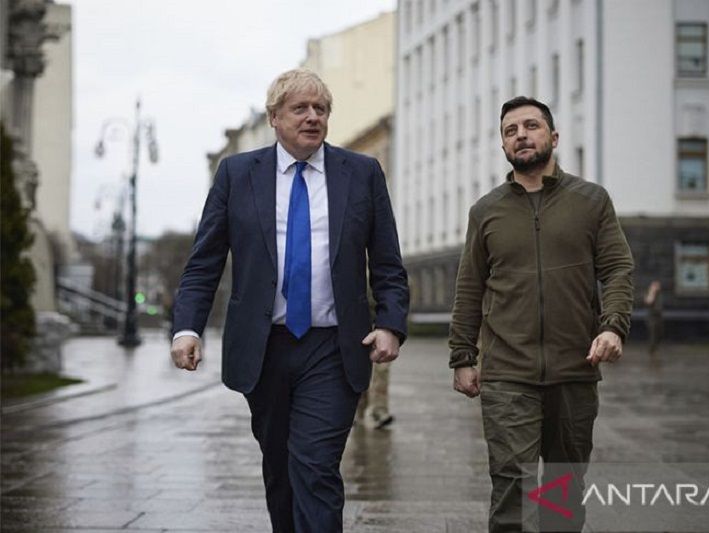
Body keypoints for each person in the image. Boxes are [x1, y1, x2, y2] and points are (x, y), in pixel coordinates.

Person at [169, 68, 409, 533]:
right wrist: (186, 328)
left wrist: (391, 322)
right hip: (265, 347)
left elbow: (387, 261)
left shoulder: (360, 174)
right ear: (274, 117)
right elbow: (205, 261)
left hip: (334, 347)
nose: (313, 117)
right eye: (300, 108)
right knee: (280, 468)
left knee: (315, 465)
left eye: (321, 109)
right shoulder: (238, 174)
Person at [449, 96, 634, 532]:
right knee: (511, 485)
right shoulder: (486, 210)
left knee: (563, 492)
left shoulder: (591, 201)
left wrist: (613, 326)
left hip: (575, 368)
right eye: (510, 131)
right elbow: (469, 285)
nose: (521, 136)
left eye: (530, 126)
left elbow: (617, 267)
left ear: (553, 137)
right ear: (503, 145)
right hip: (508, 373)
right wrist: (462, 356)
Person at [644, 280, 663, 355]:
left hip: (659, 317)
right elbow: (649, 301)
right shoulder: (650, 293)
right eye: (656, 285)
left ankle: (655, 348)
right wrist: (652, 291)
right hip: (652, 318)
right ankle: (652, 350)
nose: (658, 287)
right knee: (653, 334)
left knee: (659, 333)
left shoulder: (659, 294)